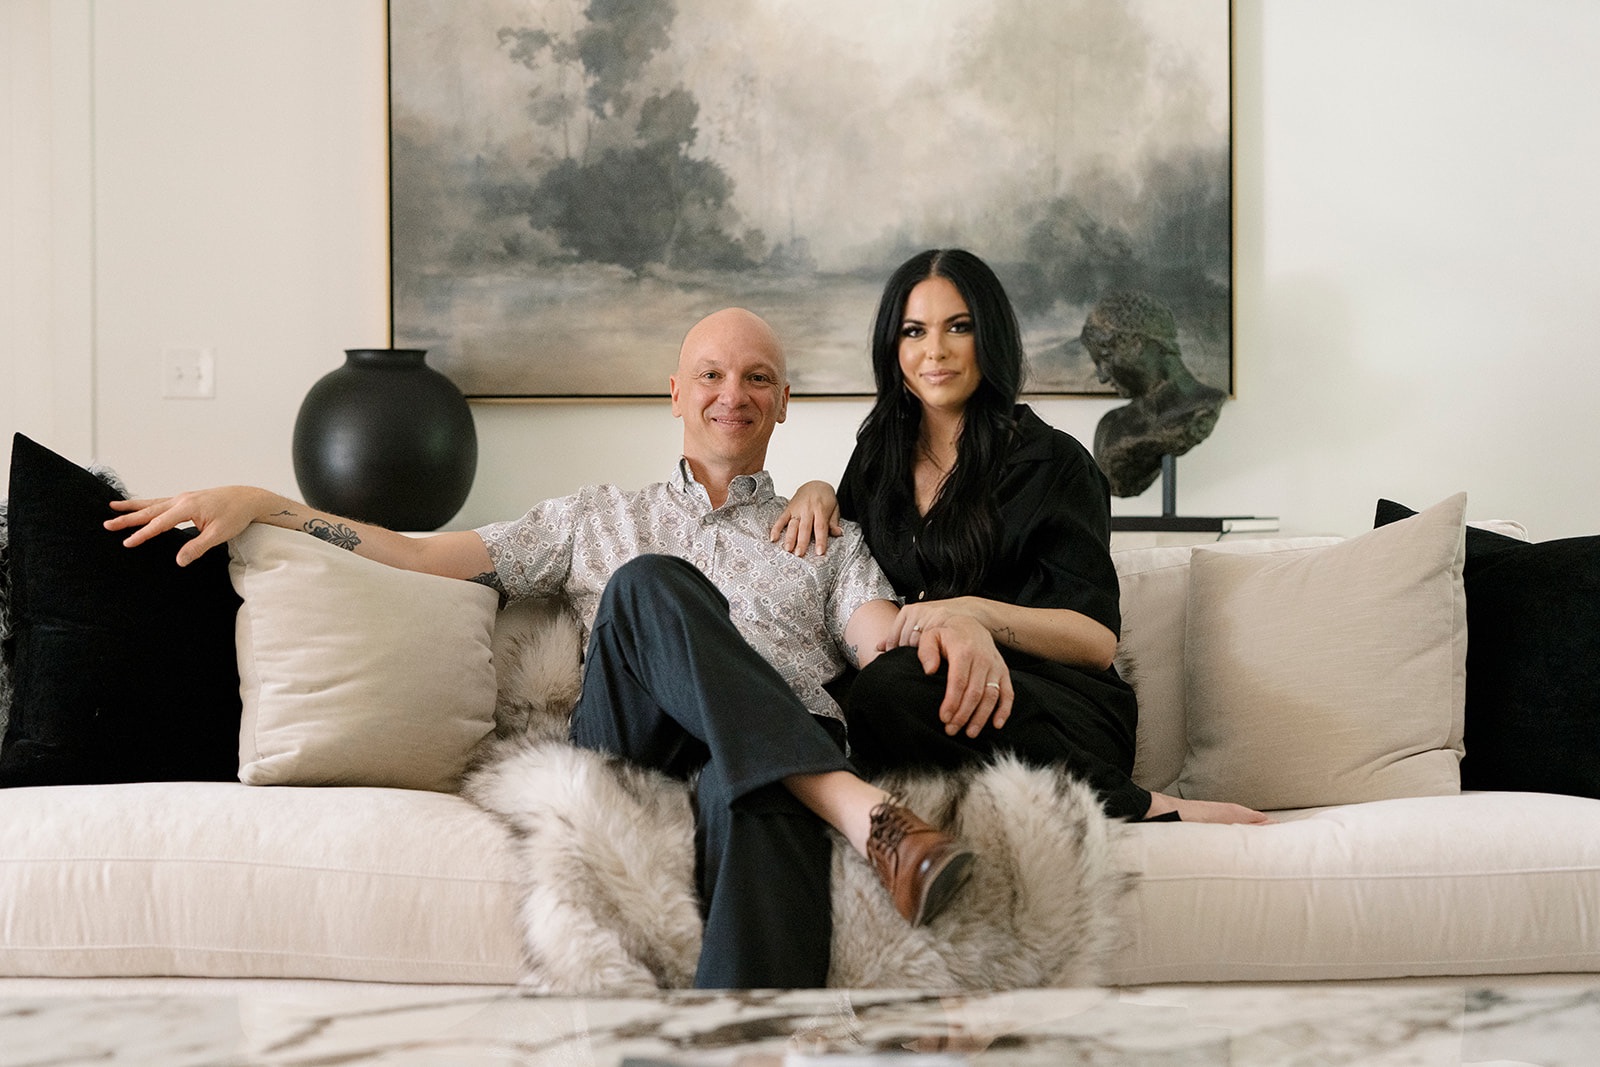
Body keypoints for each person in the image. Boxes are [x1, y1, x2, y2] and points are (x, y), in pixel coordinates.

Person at [105, 308, 977, 989]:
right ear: (675, 392)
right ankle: (856, 807)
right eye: (711, 374)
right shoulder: (598, 516)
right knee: (647, 583)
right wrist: (271, 504)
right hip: (636, 745)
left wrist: (966, 622)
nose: (733, 393)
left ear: (784, 401)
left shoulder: (830, 537)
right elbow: (417, 557)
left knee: (755, 791)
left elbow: (883, 642)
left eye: (757, 378)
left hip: (767, 756)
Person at [772, 251, 1267, 825]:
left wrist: (974, 615)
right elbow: (850, 577)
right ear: (893, 347)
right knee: (837, 698)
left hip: (1054, 706)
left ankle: (1140, 804)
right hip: (933, 694)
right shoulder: (876, 461)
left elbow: (1095, 641)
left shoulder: (1055, 463)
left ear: (992, 338)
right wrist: (817, 490)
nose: (935, 351)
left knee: (889, 687)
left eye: (959, 327)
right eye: (914, 331)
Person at [1080, 289, 1227, 497]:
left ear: (1135, 345)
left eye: (1105, 358)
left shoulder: (1202, 408)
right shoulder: (1110, 427)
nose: (1102, 377)